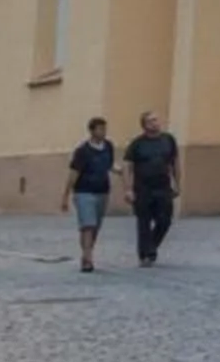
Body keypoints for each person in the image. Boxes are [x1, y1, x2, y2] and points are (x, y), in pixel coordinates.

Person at [62, 117, 118, 273]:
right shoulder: (82, 151)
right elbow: (73, 174)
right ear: (92, 131)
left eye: (104, 129)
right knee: (88, 225)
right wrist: (65, 196)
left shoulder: (108, 146)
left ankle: (87, 251)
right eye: (100, 129)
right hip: (84, 191)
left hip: (102, 191)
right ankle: (87, 259)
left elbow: (110, 165)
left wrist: (122, 172)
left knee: (95, 226)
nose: (103, 132)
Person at [126, 111, 181, 267]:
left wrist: (177, 183)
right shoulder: (137, 144)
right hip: (143, 188)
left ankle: (151, 245)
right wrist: (128, 188)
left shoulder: (168, 140)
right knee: (144, 221)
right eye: (151, 121)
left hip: (163, 187)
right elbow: (128, 165)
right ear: (144, 125)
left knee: (165, 220)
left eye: (156, 120)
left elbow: (175, 162)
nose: (155, 123)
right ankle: (145, 254)